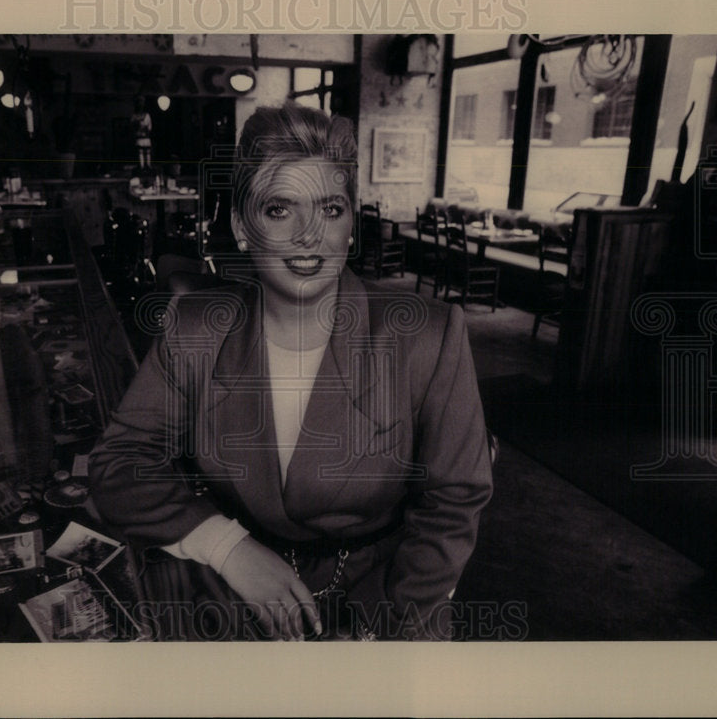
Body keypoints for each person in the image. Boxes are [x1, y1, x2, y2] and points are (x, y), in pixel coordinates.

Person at [89, 103, 493, 640]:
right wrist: (227, 547)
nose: (310, 236)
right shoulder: (196, 329)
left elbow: (453, 500)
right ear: (241, 225)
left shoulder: (427, 334)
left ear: (351, 223)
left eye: (330, 209)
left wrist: (393, 635)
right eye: (280, 210)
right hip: (237, 595)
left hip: (384, 595)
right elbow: (119, 463)